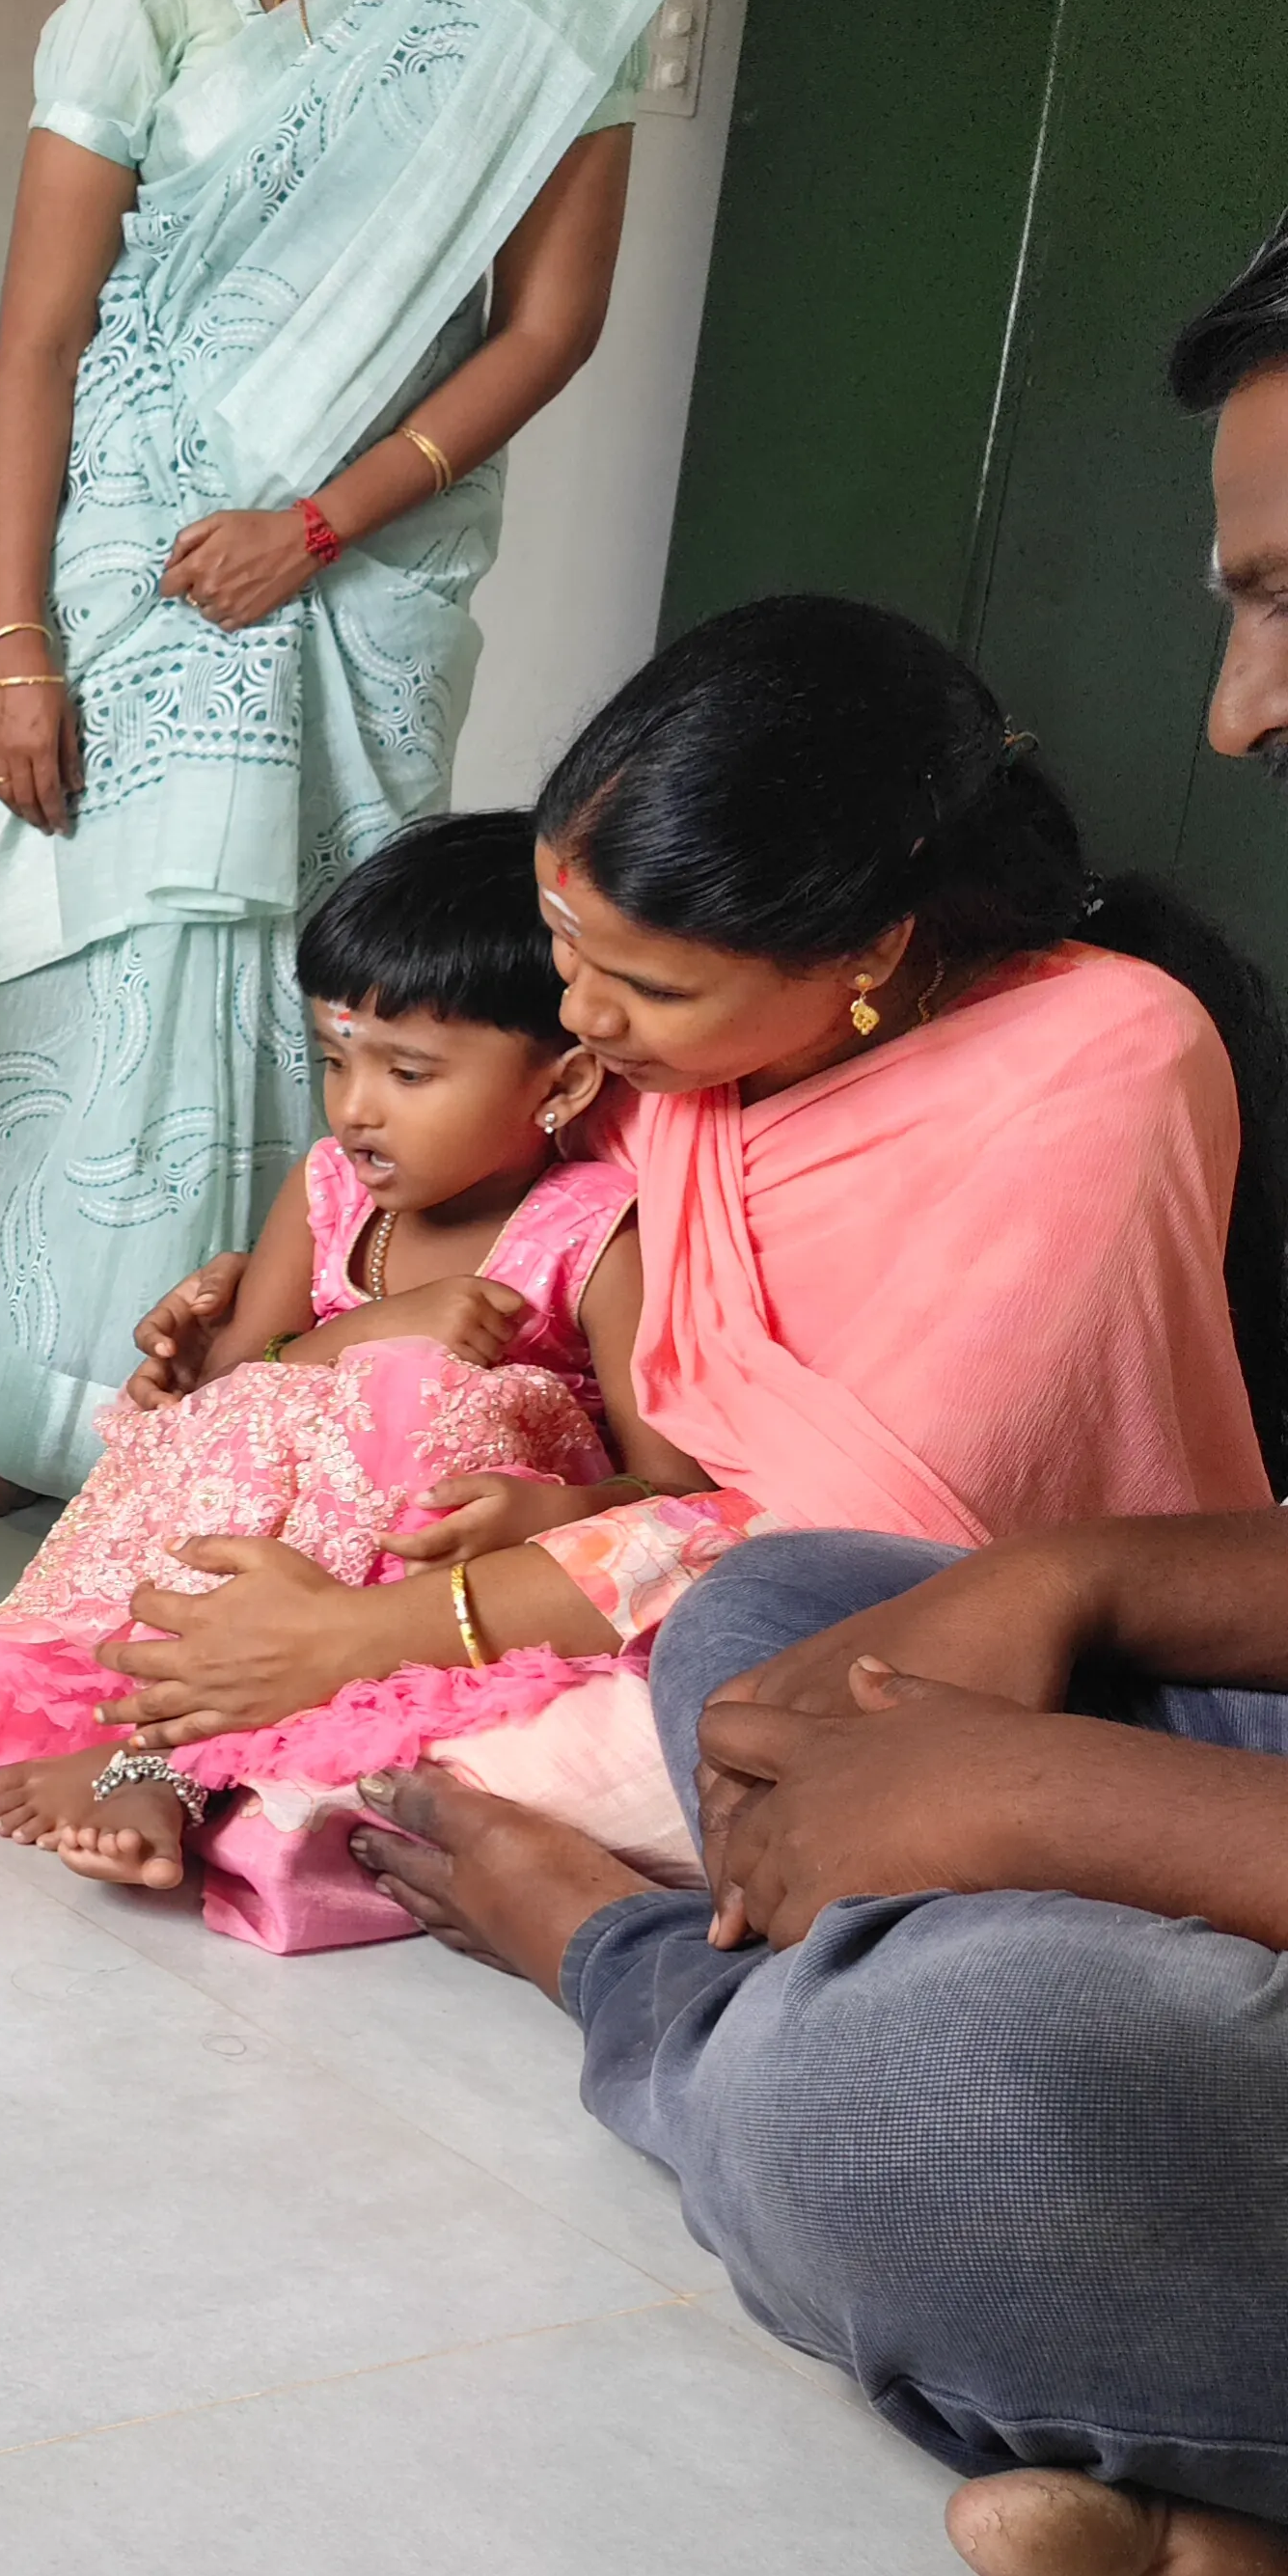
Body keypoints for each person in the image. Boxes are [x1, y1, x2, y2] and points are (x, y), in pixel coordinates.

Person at [340, 212, 1288, 2576]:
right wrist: (1074, 1601)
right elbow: (761, 1480)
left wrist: (1047, 1797)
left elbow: (831, 1437)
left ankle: (652, 2001)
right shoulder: (716, 1090)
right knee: (784, 1616)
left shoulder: (1092, 1070)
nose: (1241, 715)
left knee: (950, 2086)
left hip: (1128, 1893)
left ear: (861, 960)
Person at [85, 594, 1285, 1784]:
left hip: (886, 1621)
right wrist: (279, 1335)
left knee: (629, 1737)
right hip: (571, 1543)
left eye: (650, 991)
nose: (579, 1016)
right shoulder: (632, 1048)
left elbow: (857, 1539)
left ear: (868, 950)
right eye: (562, 940)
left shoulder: (1098, 1059)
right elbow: (501, 1259)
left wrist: (369, 1636)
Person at [0, 0, 670, 1514]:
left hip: (366, 561)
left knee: (320, 974)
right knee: (89, 979)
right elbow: (42, 342)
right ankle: (41, 1399)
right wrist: (13, 642)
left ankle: (274, 1401)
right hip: (124, 559)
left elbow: (551, 325)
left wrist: (319, 526)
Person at [0, 810, 711, 1937]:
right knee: (281, 1400)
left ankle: (179, 1766)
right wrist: (374, 1323)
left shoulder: (589, 1232)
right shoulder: (330, 1191)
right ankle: (160, 1720)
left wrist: (558, 1508)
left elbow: (667, 1486)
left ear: (562, 1084)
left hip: (431, 1573)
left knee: (415, 1390)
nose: (356, 1105)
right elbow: (244, 1378)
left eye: (408, 1070)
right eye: (334, 1060)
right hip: (276, 1564)